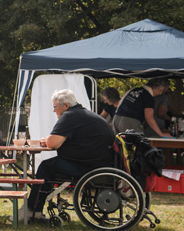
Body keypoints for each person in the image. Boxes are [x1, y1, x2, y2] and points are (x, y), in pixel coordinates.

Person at [23, 89, 116, 222]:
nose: (54, 110)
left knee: (45, 167)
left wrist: (48, 140)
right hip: (100, 163)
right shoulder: (83, 114)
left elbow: (53, 143)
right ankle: (36, 207)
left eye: (55, 107)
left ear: (65, 105)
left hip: (88, 167)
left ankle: (32, 210)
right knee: (50, 165)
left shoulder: (70, 116)